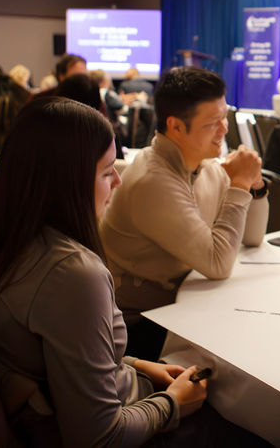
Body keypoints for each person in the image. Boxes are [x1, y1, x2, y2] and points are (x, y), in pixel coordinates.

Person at [0, 97, 265, 447]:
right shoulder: (72, 275)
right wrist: (173, 403)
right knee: (256, 428)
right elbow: (100, 436)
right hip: (121, 425)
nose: (118, 181)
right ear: (65, 183)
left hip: (94, 398)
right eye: (105, 172)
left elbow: (62, 357)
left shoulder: (5, 240)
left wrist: (138, 366)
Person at [100, 67, 268, 360]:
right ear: (176, 127)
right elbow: (218, 264)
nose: (225, 130)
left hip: (186, 308)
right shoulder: (153, 181)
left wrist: (256, 187)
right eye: (213, 123)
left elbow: (252, 239)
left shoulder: (201, 167)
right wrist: (240, 184)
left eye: (225, 118)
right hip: (139, 330)